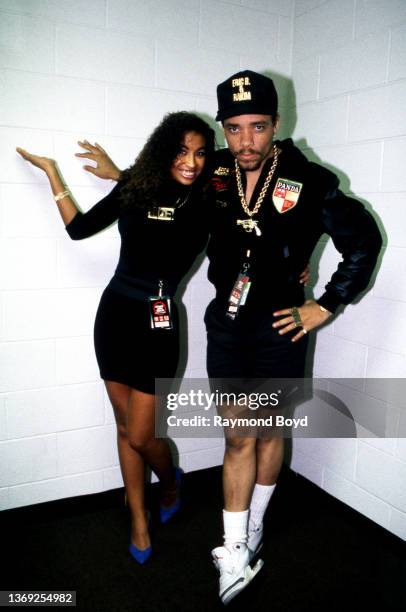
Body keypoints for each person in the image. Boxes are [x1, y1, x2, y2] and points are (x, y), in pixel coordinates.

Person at [72, 70, 382, 604]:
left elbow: (364, 240)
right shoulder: (215, 169)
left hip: (280, 328)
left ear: (276, 125)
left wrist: (324, 304)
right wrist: (120, 175)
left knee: (268, 429)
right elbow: (168, 190)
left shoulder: (308, 179)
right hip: (228, 324)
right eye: (234, 129)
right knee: (240, 435)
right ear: (223, 130)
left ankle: (253, 525)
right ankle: (235, 548)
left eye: (257, 127)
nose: (245, 141)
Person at [16, 111, 216, 565]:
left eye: (201, 153)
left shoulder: (208, 203)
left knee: (144, 435)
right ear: (164, 151)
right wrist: (54, 173)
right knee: (124, 426)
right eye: (182, 151)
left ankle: (169, 482)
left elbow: (249, 238)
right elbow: (79, 228)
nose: (192, 162)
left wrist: (292, 261)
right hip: (115, 317)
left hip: (159, 325)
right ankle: (139, 519)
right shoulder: (135, 189)